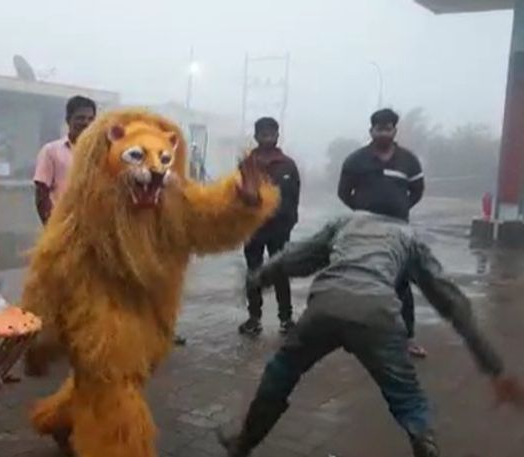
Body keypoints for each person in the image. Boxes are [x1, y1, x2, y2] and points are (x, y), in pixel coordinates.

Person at [217, 211, 523, 457]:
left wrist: (257, 279)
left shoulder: (346, 222)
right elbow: (452, 301)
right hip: (378, 314)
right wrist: (493, 366)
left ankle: (243, 444)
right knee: (406, 395)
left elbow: (293, 258)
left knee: (281, 372)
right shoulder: (409, 237)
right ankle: (424, 445)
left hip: (326, 305)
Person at [337, 108, 427, 358]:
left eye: (388, 128)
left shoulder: (408, 160)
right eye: (379, 128)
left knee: (400, 283)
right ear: (371, 131)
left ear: (394, 130)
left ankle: (407, 337)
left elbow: (417, 191)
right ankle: (359, 335)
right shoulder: (356, 160)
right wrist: (364, 212)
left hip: (398, 231)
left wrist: (400, 208)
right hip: (364, 230)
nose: (383, 132)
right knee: (362, 278)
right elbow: (344, 193)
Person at [239, 117, 300, 338]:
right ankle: (254, 319)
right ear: (256, 136)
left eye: (271, 134)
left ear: (277, 135)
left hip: (279, 229)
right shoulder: (247, 163)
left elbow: (294, 197)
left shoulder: (287, 165)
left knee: (280, 272)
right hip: (253, 228)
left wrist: (289, 223)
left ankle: (286, 319)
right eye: (263, 134)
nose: (267, 137)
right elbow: (235, 195)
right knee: (253, 273)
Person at [33, 95, 96, 225]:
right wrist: (51, 226)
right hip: (62, 227)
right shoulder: (51, 150)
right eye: (80, 118)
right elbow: (41, 194)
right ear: (68, 120)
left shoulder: (101, 153)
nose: (86, 123)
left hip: (94, 227)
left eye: (91, 119)